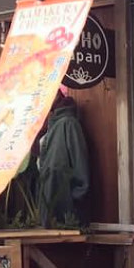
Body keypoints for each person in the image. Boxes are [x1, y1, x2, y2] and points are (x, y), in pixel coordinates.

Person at [36, 89, 91, 227]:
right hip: (50, 213)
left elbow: (80, 167)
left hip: (66, 214)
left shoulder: (68, 124)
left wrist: (73, 203)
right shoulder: (50, 126)